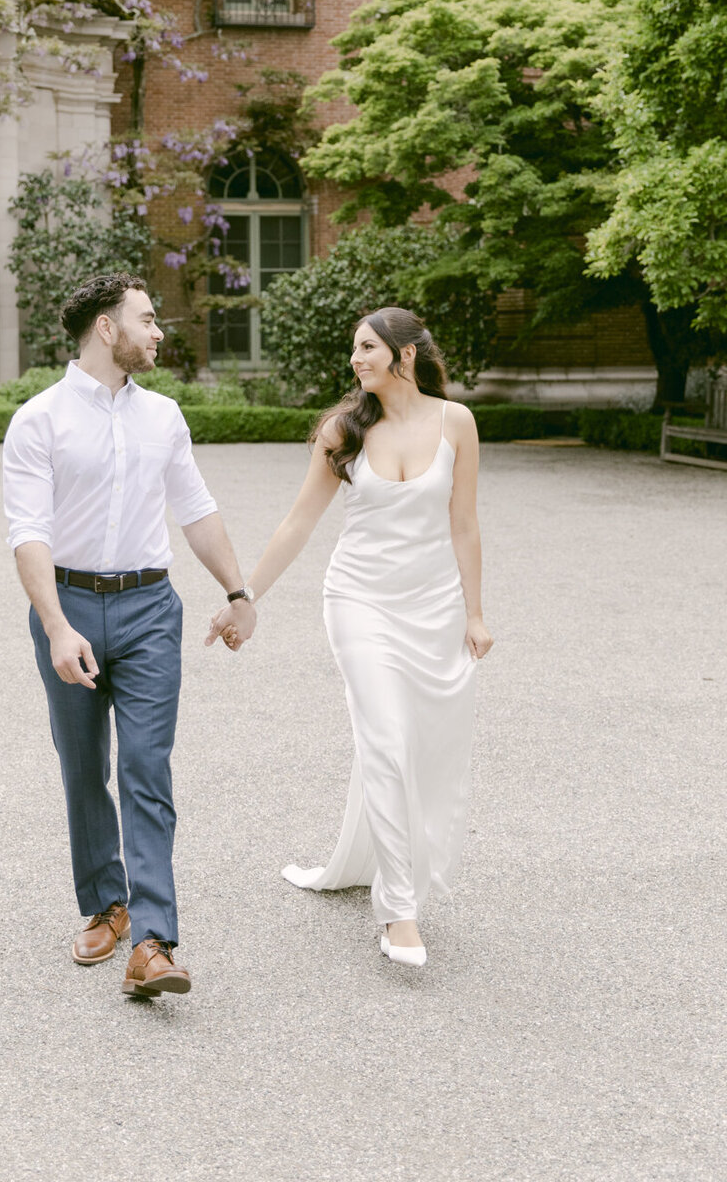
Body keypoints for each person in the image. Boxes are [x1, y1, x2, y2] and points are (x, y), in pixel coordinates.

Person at [207, 306, 493, 968]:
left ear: (406, 355)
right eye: (355, 349)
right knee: (386, 740)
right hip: (359, 602)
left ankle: (368, 858)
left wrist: (475, 614)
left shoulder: (457, 423)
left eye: (368, 348)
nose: (356, 359)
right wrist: (243, 597)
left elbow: (466, 525)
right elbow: (299, 523)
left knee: (415, 745)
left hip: (433, 607)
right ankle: (398, 912)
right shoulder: (343, 431)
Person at [3, 272, 253, 999]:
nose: (159, 331)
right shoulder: (39, 420)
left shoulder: (164, 417)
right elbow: (29, 533)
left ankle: (152, 939)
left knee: (146, 767)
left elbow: (196, 510)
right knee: (84, 767)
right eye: (147, 319)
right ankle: (105, 903)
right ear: (106, 329)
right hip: (69, 604)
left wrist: (237, 593)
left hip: (149, 609)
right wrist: (55, 626)